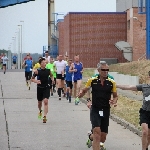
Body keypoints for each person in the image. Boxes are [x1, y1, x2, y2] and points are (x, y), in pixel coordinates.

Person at [78, 62, 118, 150]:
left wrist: (114, 101)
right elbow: (85, 90)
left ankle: (90, 136)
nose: (106, 72)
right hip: (95, 109)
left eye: (107, 70)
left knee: (102, 137)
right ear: (99, 70)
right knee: (97, 133)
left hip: (106, 109)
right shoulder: (92, 80)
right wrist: (81, 94)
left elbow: (115, 96)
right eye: (103, 70)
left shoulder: (112, 82)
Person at [117, 83, 150, 150]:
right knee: (145, 132)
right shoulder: (144, 86)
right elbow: (129, 87)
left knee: (149, 136)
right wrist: (115, 85)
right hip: (145, 112)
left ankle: (146, 147)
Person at [31, 58, 54, 123]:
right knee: (39, 102)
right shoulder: (37, 71)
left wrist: (52, 80)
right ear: (40, 64)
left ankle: (45, 116)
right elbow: (32, 79)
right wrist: (36, 81)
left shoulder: (48, 70)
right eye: (43, 63)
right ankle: (40, 110)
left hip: (46, 87)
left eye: (45, 62)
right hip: (40, 88)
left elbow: (51, 76)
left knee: (46, 101)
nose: (45, 64)